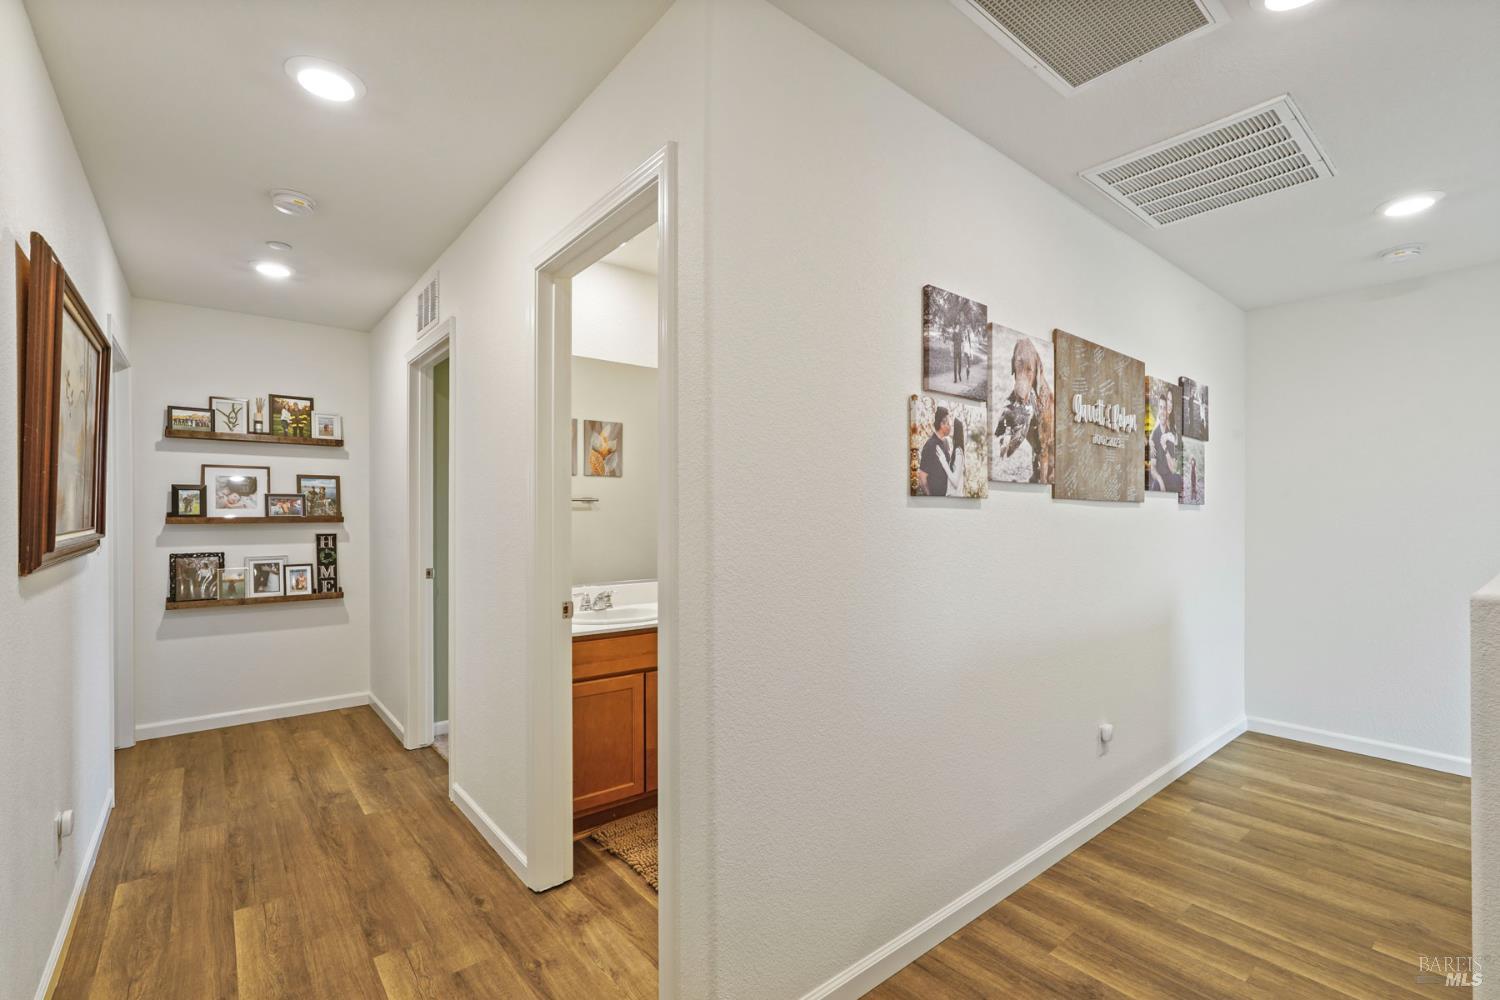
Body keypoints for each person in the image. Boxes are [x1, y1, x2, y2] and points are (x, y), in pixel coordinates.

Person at [918, 406, 955, 496]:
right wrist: (931, 498)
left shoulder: (946, 442)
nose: (951, 427)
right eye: (949, 424)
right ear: (942, 424)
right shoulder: (930, 445)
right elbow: (922, 478)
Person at [948, 417, 966, 496]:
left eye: (951, 426)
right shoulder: (955, 450)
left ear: (956, 430)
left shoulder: (958, 451)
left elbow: (955, 482)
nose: (949, 427)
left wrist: (944, 463)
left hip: (955, 495)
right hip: (953, 495)